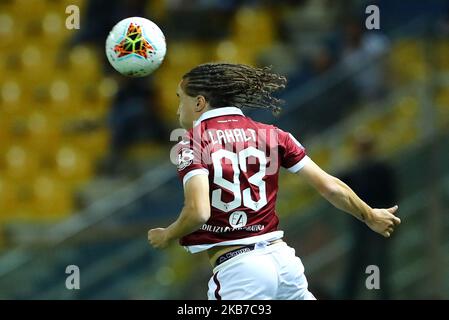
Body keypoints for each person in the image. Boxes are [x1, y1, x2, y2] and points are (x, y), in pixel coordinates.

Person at [148, 63, 401, 300]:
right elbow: (330, 186)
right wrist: (370, 215)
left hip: (240, 271)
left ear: (200, 102)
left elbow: (199, 212)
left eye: (181, 99)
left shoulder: (193, 143)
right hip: (284, 263)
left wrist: (167, 234)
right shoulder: (273, 134)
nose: (178, 108)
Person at [339, 133, 397, 299]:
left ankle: (379, 296)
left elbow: (391, 197)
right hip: (361, 228)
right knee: (358, 268)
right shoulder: (353, 173)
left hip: (376, 227)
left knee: (376, 267)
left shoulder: (380, 169)